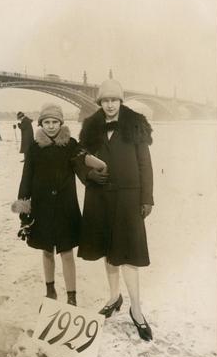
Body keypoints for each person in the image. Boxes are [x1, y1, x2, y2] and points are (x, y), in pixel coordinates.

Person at [76, 79, 154, 341]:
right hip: (100, 198)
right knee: (108, 251)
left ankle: (137, 309)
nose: (109, 105)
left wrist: (147, 198)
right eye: (105, 101)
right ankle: (113, 297)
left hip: (128, 199)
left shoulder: (135, 124)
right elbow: (77, 158)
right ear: (100, 103)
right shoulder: (90, 127)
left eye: (114, 100)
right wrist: (88, 175)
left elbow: (145, 164)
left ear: (121, 101)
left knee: (130, 255)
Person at [12, 103, 82, 306]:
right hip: (42, 208)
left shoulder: (71, 145)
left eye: (55, 122)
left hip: (65, 208)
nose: (51, 126)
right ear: (41, 124)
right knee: (46, 250)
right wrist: (23, 210)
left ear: (61, 123)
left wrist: (95, 172)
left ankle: (72, 297)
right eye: (47, 122)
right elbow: (26, 179)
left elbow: (83, 169)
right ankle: (50, 291)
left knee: (67, 252)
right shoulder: (34, 148)